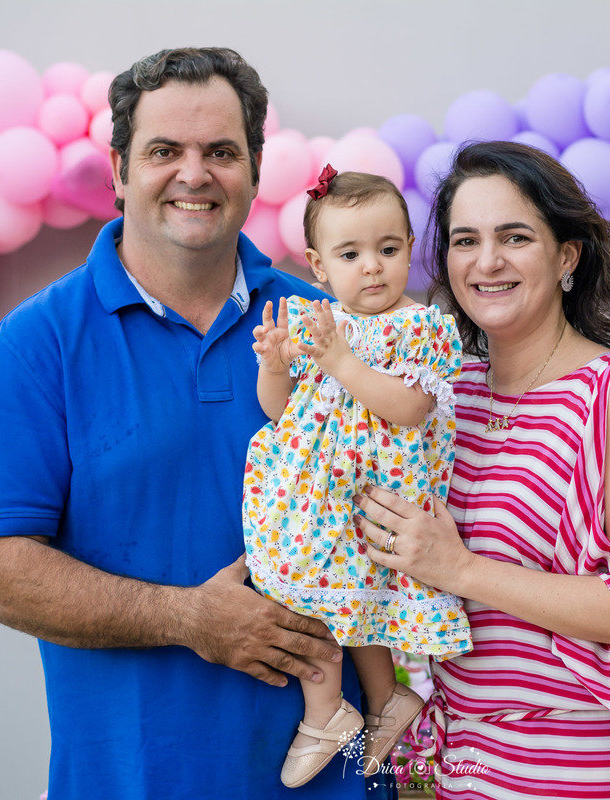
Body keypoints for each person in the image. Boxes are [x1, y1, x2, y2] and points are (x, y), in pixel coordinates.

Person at [0, 47, 387, 800]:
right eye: (164, 152)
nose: (195, 174)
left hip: (341, 783)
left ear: (254, 170)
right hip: (134, 780)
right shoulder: (37, 345)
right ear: (119, 170)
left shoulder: (330, 327)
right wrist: (187, 618)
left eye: (222, 151)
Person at [353, 141, 610, 799]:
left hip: (597, 771)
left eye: (514, 236)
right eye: (465, 240)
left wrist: (458, 568)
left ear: (566, 255)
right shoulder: (443, 392)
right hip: (470, 768)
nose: (487, 261)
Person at [244, 167, 471, 788]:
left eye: (389, 249)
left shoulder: (419, 326)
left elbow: (411, 407)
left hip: (376, 492)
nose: (373, 267)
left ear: (409, 251)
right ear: (319, 266)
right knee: (328, 595)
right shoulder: (313, 320)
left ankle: (329, 710)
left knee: (345, 588)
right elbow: (278, 410)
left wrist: (340, 359)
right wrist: (273, 364)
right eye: (351, 254)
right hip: (319, 494)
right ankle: (382, 700)